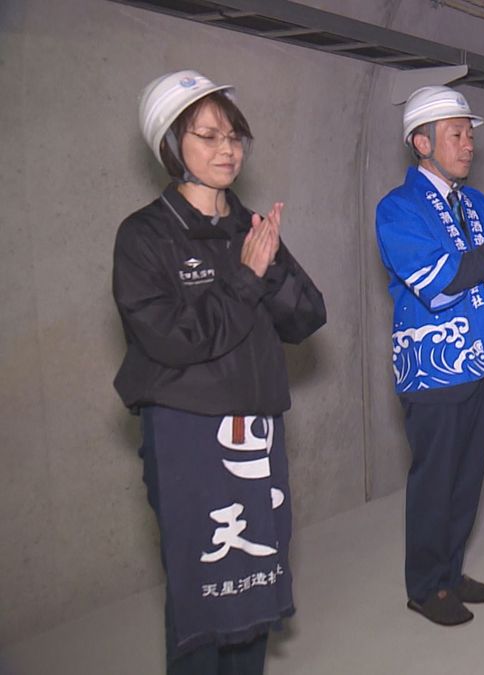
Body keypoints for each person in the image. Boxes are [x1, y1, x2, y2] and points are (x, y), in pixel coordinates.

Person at [114, 70, 326, 674]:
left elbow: (307, 317)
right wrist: (245, 278)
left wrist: (271, 269)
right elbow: (170, 340)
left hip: (254, 436)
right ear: (170, 147)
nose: (226, 149)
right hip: (187, 440)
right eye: (206, 136)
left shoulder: (251, 227)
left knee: (255, 582)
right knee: (201, 593)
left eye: (234, 135)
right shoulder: (143, 236)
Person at [375, 85, 484, 625]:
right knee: (435, 480)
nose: (469, 143)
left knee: (468, 477)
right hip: (433, 373)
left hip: (483, 363)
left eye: (470, 133)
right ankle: (425, 587)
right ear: (421, 142)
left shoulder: (476, 204)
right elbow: (438, 284)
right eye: (456, 134)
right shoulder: (398, 208)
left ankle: (450, 572)